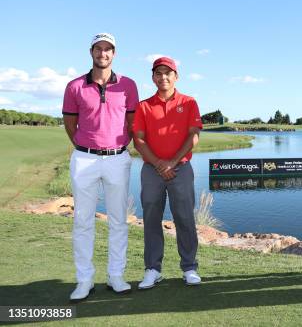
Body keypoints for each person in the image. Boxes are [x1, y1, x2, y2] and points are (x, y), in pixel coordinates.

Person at [62, 33, 139, 302]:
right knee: (83, 220)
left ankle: (116, 276)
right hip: (84, 159)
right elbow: (70, 125)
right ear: (91, 52)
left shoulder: (128, 85)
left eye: (108, 49)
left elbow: (132, 122)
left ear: (114, 54)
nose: (103, 54)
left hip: (117, 158)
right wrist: (88, 146)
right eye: (98, 49)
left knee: (118, 219)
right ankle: (84, 280)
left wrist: (113, 147)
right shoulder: (74, 86)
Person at [132, 56, 203, 289]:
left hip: (181, 167)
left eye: (168, 73)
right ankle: (153, 269)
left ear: (176, 76)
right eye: (158, 73)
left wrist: (172, 162)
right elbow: (139, 140)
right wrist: (159, 164)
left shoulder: (189, 102)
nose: (163, 77)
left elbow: (194, 135)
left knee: (184, 217)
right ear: (153, 77)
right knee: (151, 218)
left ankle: (189, 267)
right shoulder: (143, 106)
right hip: (152, 170)